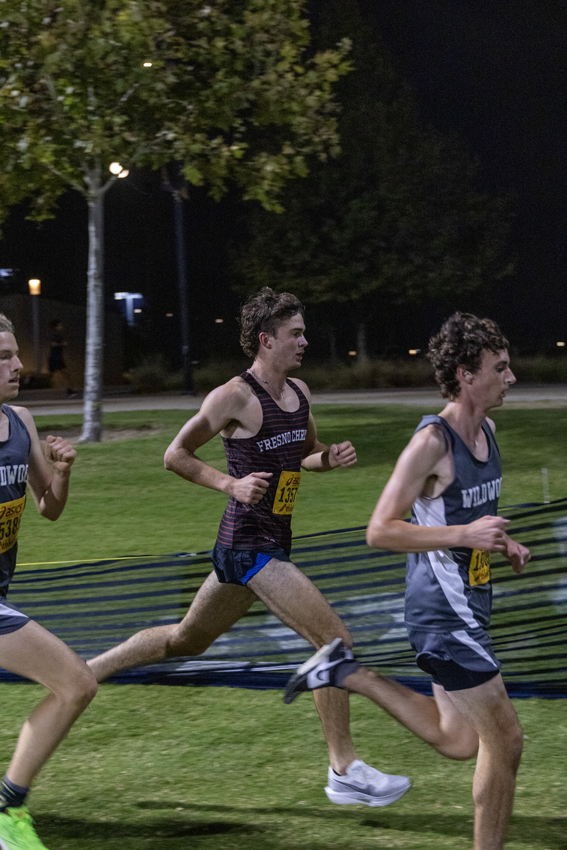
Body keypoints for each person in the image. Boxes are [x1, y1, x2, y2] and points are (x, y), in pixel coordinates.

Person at [88, 287, 410, 807]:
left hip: (271, 543)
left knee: (186, 640)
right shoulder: (232, 396)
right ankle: (344, 769)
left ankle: (83, 675)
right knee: (333, 641)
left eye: (304, 332)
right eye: (296, 334)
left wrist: (330, 459)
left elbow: (305, 455)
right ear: (266, 340)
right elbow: (175, 455)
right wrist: (229, 485)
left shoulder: (300, 393)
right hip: (247, 544)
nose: (304, 341)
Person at [285, 312, 530, 850]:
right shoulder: (431, 443)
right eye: (500, 367)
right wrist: (467, 534)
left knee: (459, 737)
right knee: (505, 740)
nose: (511, 378)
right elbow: (380, 529)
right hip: (444, 614)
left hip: (471, 605)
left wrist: (501, 542)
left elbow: (466, 514)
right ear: (466, 374)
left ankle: (346, 672)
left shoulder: (486, 430)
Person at [0, 313, 97, 850]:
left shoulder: (21, 422)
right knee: (76, 682)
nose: (19, 365)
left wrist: (61, 473)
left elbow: (47, 509)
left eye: (15, 354)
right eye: (5, 357)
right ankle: (9, 809)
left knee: (75, 685)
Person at [48, 319, 77, 398]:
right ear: (56, 326)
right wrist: (62, 344)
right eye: (60, 325)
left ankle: (68, 389)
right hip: (56, 357)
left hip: (57, 357)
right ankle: (68, 390)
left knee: (63, 374)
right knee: (64, 374)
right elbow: (52, 344)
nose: (61, 327)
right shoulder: (55, 335)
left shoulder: (57, 334)